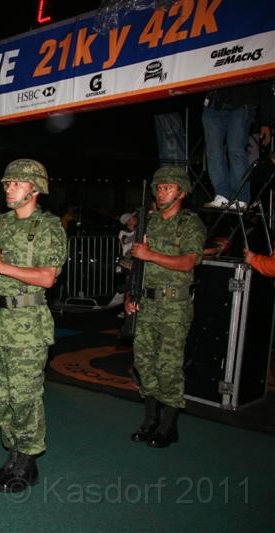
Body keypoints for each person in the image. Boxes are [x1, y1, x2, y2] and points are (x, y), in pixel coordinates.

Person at [0, 159, 67, 494]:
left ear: (35, 189)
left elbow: (46, 277)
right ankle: (13, 454)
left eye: (15, 183)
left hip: (29, 323)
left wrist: (2, 265)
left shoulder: (49, 227)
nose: (8, 187)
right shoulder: (2, 224)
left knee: (25, 396)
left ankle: (28, 462)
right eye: (7, 182)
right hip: (2, 320)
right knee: (0, 396)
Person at [125, 165, 206, 449]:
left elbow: (188, 261)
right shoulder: (151, 222)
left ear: (181, 192)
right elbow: (135, 264)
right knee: (144, 363)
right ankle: (150, 419)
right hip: (145, 302)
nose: (161, 192)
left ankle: (168, 425)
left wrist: (151, 254)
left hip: (174, 305)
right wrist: (129, 295)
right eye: (159, 188)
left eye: (168, 187)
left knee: (168, 367)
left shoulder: (189, 223)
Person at [202, 80, 275, 209]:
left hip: (243, 103)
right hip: (214, 103)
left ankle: (241, 197)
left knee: (236, 150)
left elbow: (265, 85)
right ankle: (221, 195)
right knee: (213, 151)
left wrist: (266, 122)